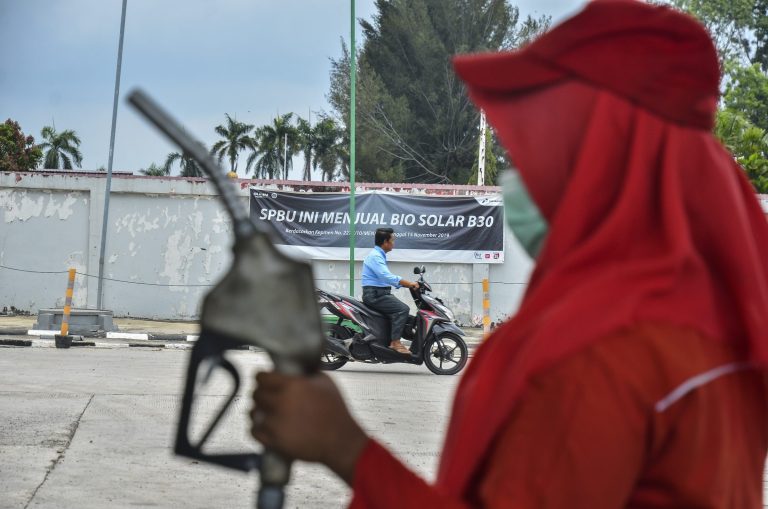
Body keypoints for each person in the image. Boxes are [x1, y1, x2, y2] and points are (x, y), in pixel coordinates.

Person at [250, 1, 768, 507]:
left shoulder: (595, 355)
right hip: (374, 300)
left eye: (533, 153)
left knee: (400, 313)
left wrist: (345, 447)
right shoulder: (721, 326)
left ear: (598, 161)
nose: (518, 178)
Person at [360, 227, 420, 354]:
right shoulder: (375, 256)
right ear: (385, 242)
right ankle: (395, 342)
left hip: (379, 294)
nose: (394, 243)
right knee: (402, 309)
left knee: (407, 317)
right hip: (375, 295)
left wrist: (407, 284)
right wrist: (409, 284)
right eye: (392, 240)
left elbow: (386, 277)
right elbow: (386, 277)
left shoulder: (378, 255)